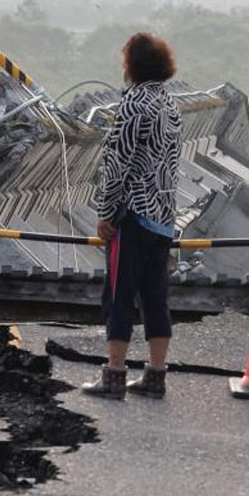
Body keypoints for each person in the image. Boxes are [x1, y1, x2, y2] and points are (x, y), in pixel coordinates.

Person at [81, 32, 182, 400]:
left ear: (132, 65)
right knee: (155, 296)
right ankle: (155, 376)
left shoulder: (134, 104)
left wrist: (106, 214)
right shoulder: (169, 104)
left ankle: (115, 375)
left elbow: (117, 164)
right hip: (164, 216)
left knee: (119, 294)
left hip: (134, 215)